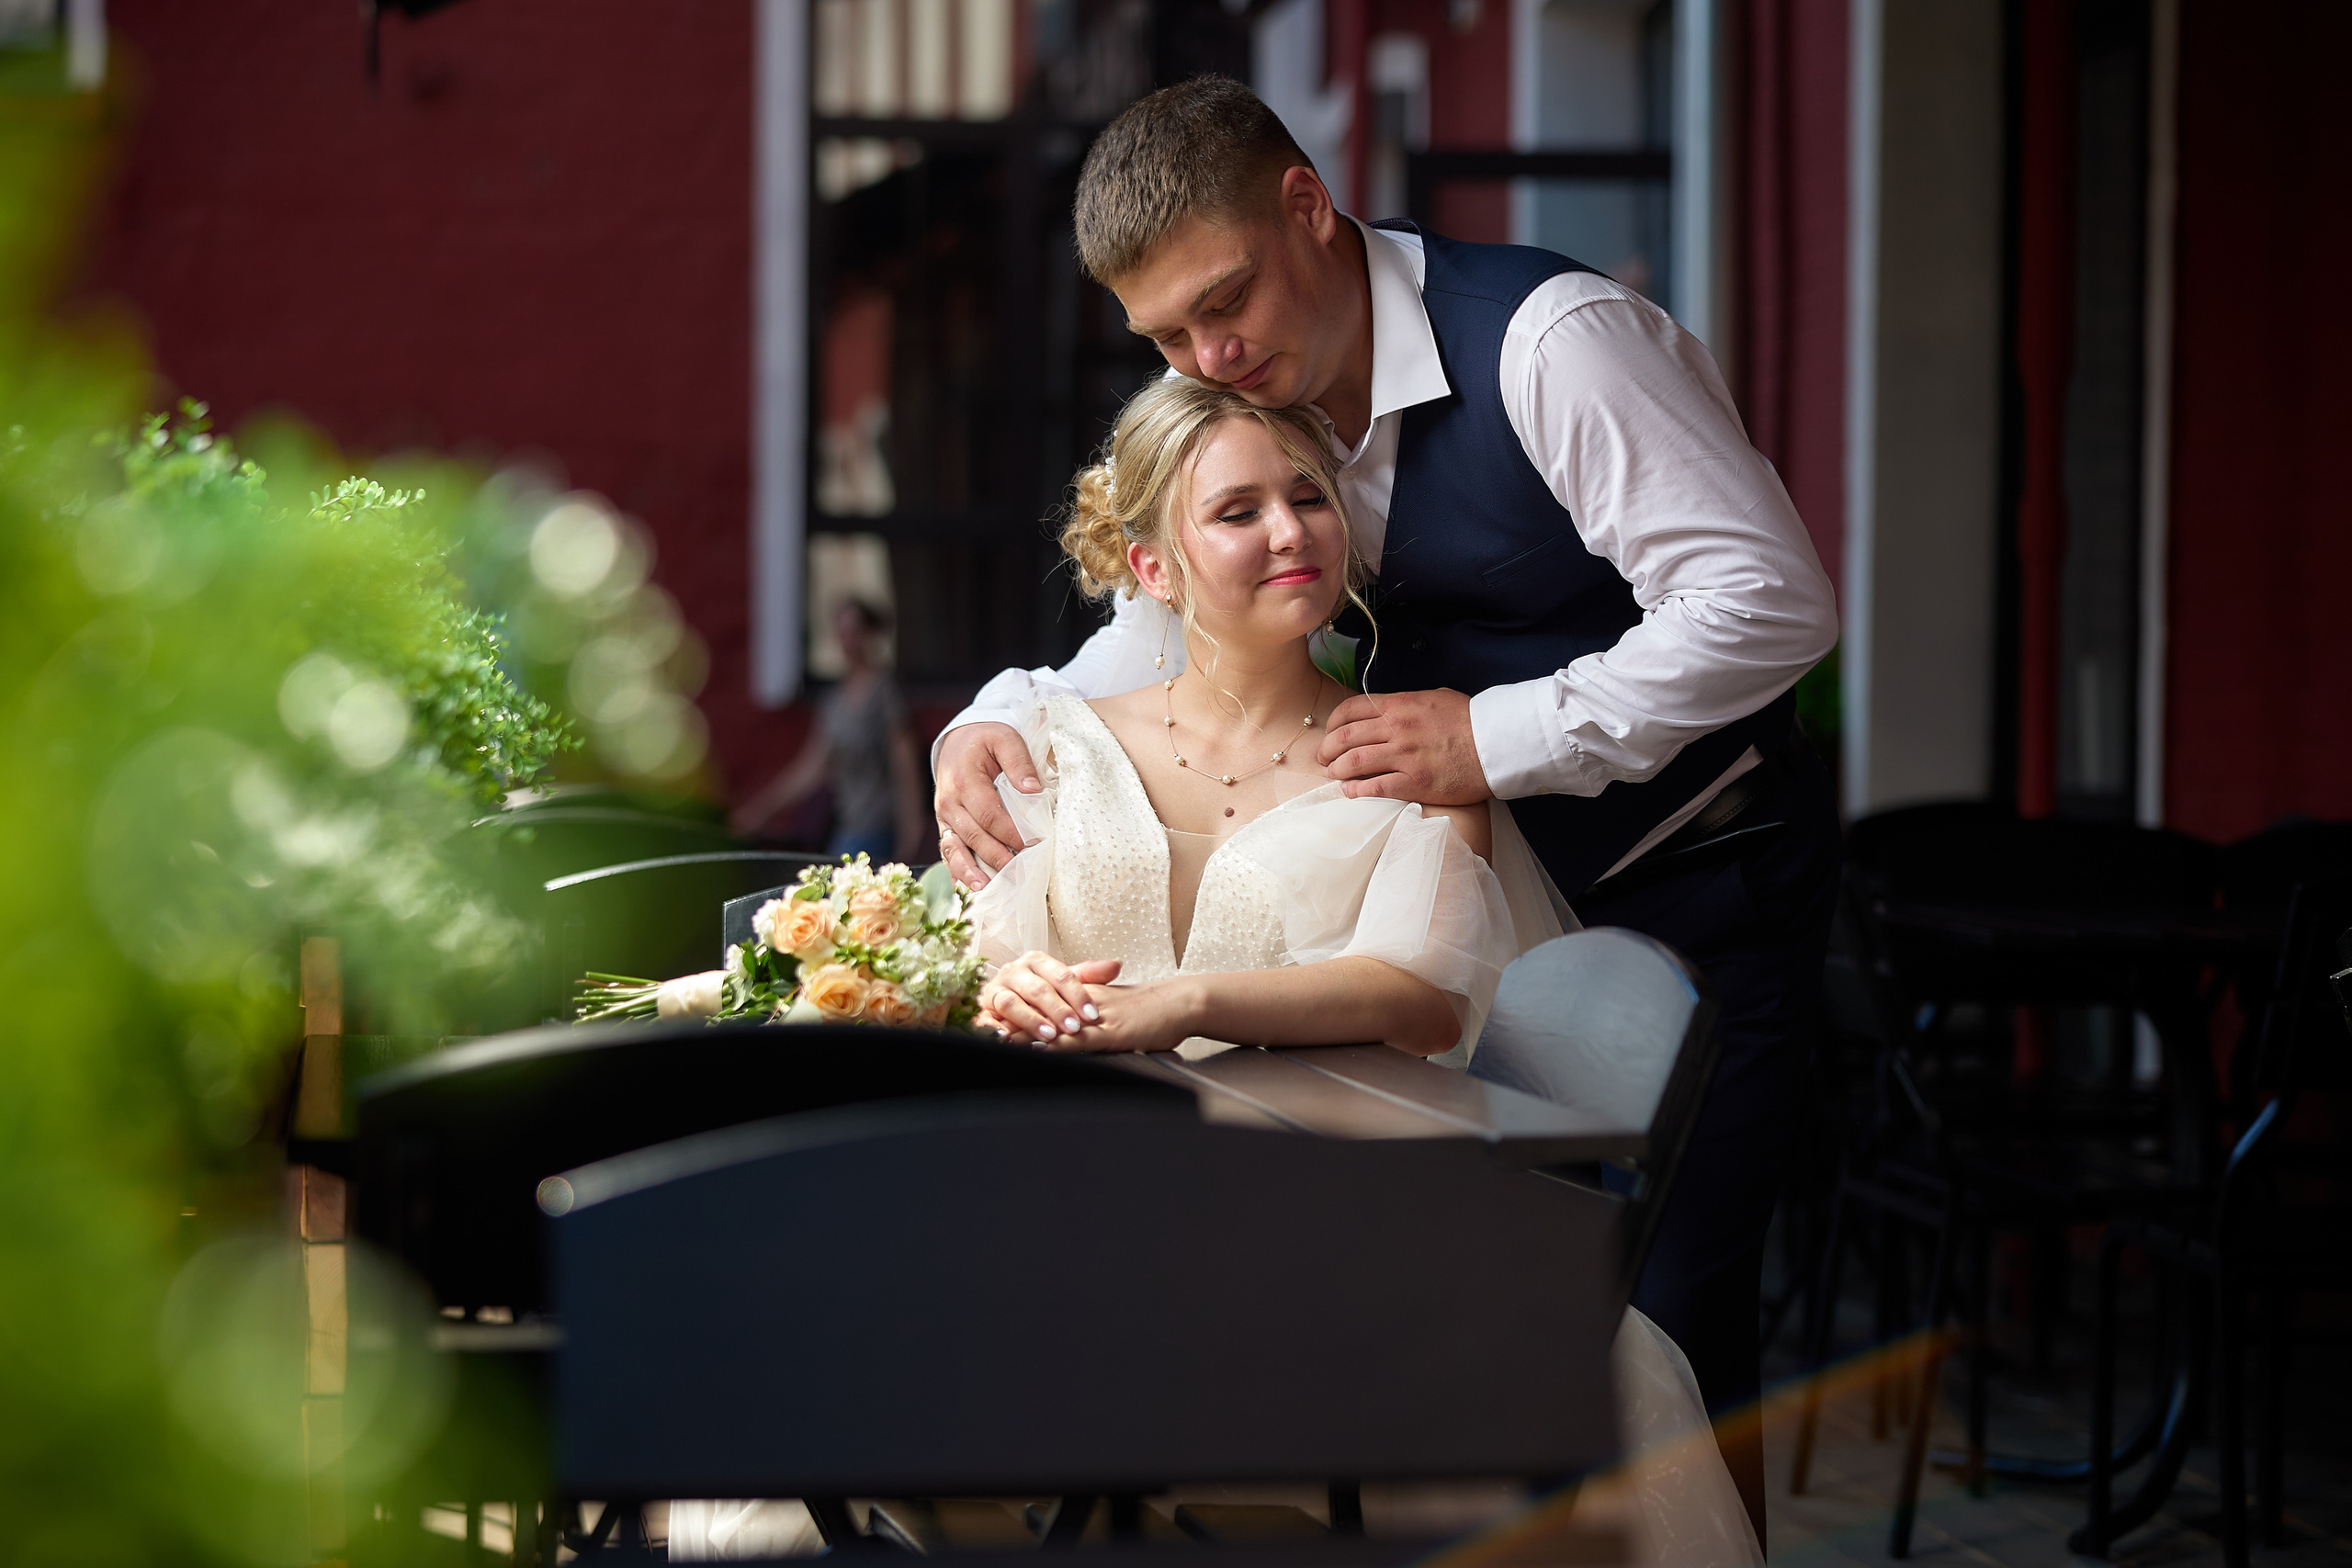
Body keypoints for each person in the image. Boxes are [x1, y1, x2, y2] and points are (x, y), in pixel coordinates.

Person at [930, 77, 1840, 1538]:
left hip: (1687, 893)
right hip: (1460, 912)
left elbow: (1769, 600)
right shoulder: (1263, 385)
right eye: (1165, 339)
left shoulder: (1555, 345)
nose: (1208, 357)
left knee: (1660, 1326)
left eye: (1222, 305)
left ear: (1309, 208)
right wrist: (989, 714)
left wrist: (1498, 733)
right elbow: (1172, 601)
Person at [961, 372, 1758, 1565]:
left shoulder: (1410, 757)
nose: (1290, 531)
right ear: (1153, 569)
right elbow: (986, 948)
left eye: (1309, 497)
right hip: (1073, 1208)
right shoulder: (1056, 748)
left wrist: (1184, 1001)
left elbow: (1422, 988)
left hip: (1320, 1220)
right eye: (1238, 512)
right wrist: (1001, 991)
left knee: (1614, 1367)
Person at [732, 597, 928, 862]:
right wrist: (762, 810)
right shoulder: (834, 702)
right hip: (848, 821)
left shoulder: (885, 694)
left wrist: (912, 832)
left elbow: (905, 767)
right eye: (842, 633)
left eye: (855, 632)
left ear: (869, 635)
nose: (848, 641)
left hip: (881, 823)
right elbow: (813, 768)